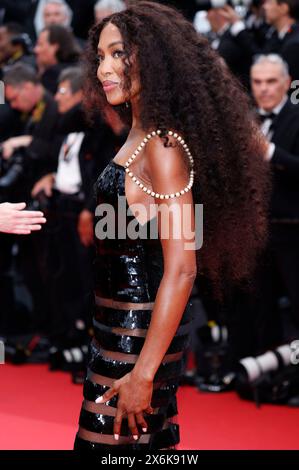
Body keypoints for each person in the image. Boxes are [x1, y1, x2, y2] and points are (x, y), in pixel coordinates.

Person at [74, 1, 269, 451]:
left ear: (153, 60)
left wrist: (143, 372)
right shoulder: (138, 134)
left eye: (118, 54)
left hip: (137, 335)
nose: (104, 68)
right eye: (100, 56)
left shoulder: (162, 146)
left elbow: (182, 268)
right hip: (116, 329)